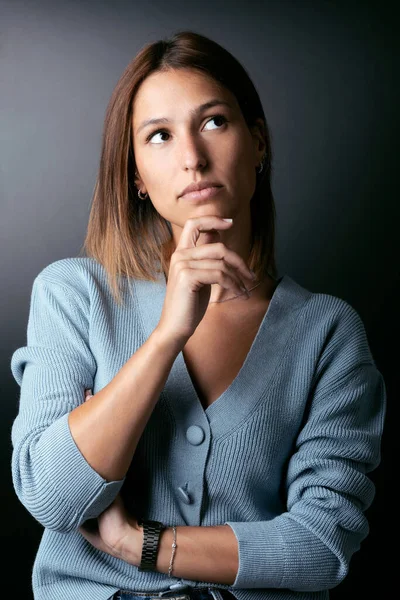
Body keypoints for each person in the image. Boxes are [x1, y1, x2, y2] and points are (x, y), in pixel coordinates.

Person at [10, 29, 386, 600]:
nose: (191, 158)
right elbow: (53, 497)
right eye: (158, 136)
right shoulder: (74, 294)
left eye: (213, 122)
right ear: (136, 175)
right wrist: (167, 336)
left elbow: (322, 545)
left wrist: (140, 543)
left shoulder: (327, 332)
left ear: (258, 143)